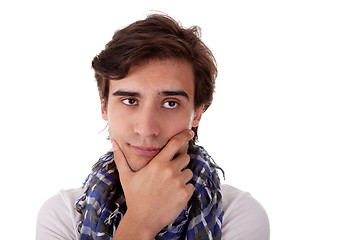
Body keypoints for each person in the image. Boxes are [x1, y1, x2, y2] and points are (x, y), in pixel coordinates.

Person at [36, 14, 270, 240]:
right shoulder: (64, 215)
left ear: (197, 112)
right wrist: (141, 220)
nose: (146, 129)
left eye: (170, 103)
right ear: (104, 107)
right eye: (130, 100)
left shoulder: (237, 214)